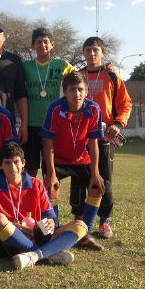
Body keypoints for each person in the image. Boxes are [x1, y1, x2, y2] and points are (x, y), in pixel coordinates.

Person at [0, 142, 88, 270]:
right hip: (10, 239)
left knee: (81, 225)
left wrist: (50, 222)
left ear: (23, 163)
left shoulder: (36, 184)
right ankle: (48, 253)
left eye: (16, 162)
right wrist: (14, 227)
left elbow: (50, 218)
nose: (12, 167)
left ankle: (34, 256)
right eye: (7, 163)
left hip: (37, 234)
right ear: (0, 165)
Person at [41, 71, 106, 252]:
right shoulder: (55, 108)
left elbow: (93, 143)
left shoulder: (93, 109)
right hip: (58, 159)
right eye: (72, 90)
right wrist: (52, 173)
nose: (76, 94)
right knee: (50, 188)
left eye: (80, 90)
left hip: (80, 159)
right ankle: (54, 232)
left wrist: (95, 173)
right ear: (65, 92)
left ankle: (83, 234)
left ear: (86, 92)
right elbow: (48, 142)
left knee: (97, 187)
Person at [81, 36, 133, 239]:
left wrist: (118, 124)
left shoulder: (111, 77)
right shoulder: (78, 77)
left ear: (102, 53)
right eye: (88, 50)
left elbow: (125, 103)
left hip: (104, 138)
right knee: (83, 178)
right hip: (81, 139)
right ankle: (83, 218)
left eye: (96, 50)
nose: (92, 54)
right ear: (83, 53)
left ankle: (105, 220)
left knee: (105, 179)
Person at [22, 27, 76, 177]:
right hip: (31, 125)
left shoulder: (61, 65)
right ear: (33, 45)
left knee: (50, 170)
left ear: (52, 44)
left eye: (46, 42)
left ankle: (51, 201)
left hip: (53, 124)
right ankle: (31, 199)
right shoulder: (25, 66)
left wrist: (104, 68)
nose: (42, 45)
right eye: (38, 42)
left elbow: (81, 77)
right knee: (29, 169)